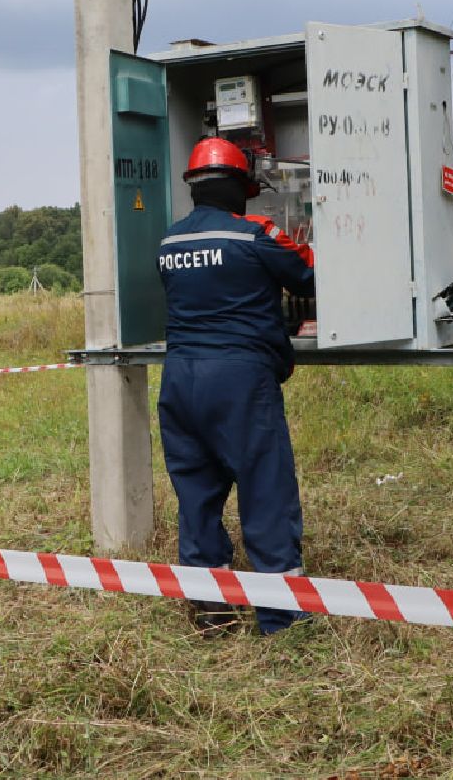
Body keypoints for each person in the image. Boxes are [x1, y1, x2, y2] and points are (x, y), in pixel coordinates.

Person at [156, 136, 316, 637]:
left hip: (180, 379)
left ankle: (213, 610)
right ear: (241, 188)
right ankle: (281, 615)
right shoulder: (256, 234)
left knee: (197, 493)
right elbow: (310, 274)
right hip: (239, 380)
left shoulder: (169, 242)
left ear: (194, 188)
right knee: (265, 488)